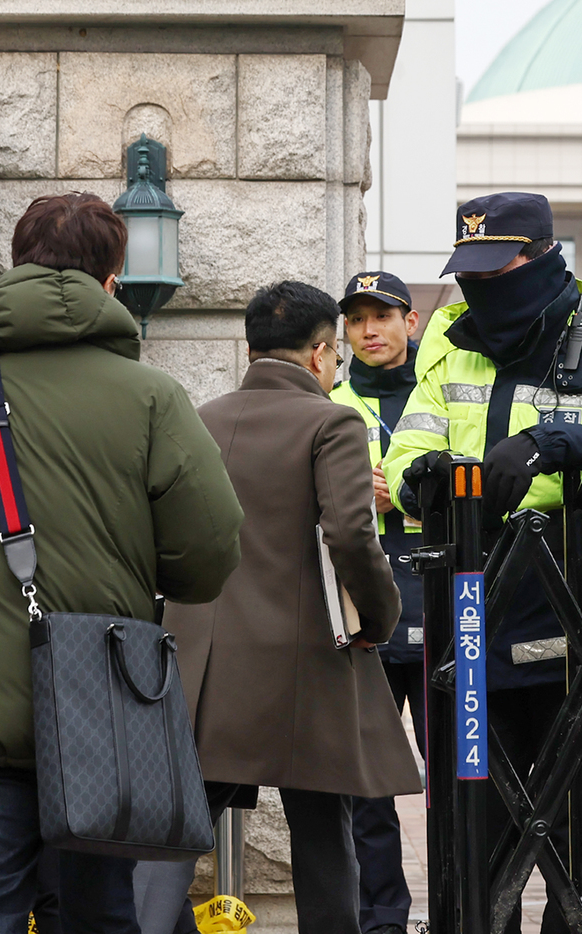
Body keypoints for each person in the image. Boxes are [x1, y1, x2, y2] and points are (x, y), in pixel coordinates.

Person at [0, 193, 244, 933]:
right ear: (112, 279)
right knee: (101, 910)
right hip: (106, 698)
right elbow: (209, 551)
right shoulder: (152, 398)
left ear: (14, 266)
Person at [384, 192, 582, 933]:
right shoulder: (451, 335)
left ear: (543, 255)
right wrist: (446, 477)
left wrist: (556, 446)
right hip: (472, 608)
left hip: (573, 612)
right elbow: (407, 459)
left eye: (499, 266)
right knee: (474, 822)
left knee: (580, 827)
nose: (481, 286)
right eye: (470, 270)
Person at [164, 279, 423, 934]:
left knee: (181, 827)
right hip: (304, 658)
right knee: (321, 828)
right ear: (319, 353)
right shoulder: (332, 420)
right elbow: (350, 533)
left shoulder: (202, 417)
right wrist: (380, 618)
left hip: (212, 662)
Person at [329, 270, 424, 934]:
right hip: (362, 607)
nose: (369, 331)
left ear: (409, 323)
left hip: (443, 601)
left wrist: (415, 496)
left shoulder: (444, 398)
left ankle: (461, 900)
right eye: (357, 320)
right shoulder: (329, 404)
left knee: (461, 772)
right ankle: (382, 917)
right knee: (365, 782)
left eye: (382, 317)